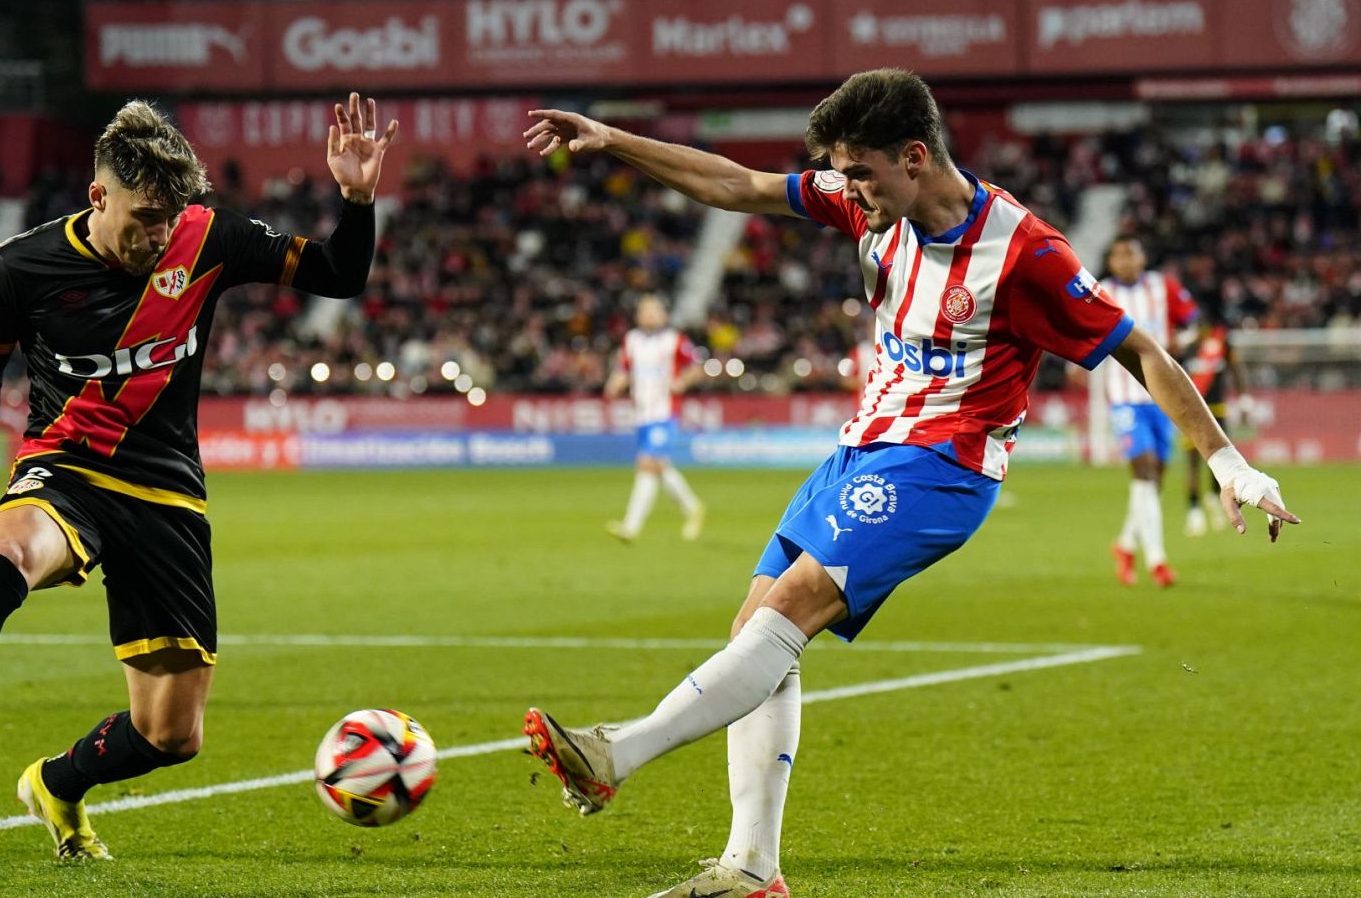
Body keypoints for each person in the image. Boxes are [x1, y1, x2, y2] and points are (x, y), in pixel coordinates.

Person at [518, 69, 1298, 898]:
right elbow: (740, 184)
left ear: (914, 158)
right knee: (757, 628)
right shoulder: (868, 202)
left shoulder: (1026, 254)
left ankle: (614, 753)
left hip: (943, 465)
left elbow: (1141, 349)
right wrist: (614, 139)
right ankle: (752, 866)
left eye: (860, 172)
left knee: (787, 611)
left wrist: (1229, 463)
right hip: (859, 450)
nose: (846, 189)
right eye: (842, 172)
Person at [0, 95, 398, 858]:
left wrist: (356, 199)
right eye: (145, 217)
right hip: (66, 469)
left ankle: (57, 781)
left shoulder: (207, 238)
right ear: (99, 196)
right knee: (10, 556)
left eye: (169, 218)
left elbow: (339, 273)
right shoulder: (19, 266)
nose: (158, 235)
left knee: (172, 733)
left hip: (167, 494)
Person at [1098, 235, 1198, 586]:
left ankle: (1125, 545)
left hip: (1161, 396)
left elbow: (1192, 321)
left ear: (1142, 257)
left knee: (1153, 481)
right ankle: (1158, 561)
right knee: (1144, 470)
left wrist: (1182, 341)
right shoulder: (1100, 291)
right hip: (1124, 397)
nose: (1125, 260)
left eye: (1131, 253)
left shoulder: (1162, 286)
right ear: (1111, 261)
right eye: (1118, 255)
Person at [604, 294, 706, 543]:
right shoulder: (632, 340)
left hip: (664, 412)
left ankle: (631, 527)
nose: (649, 314)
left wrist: (682, 381)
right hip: (642, 414)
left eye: (654, 310)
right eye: (644, 310)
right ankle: (692, 507)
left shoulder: (675, 340)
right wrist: (614, 385)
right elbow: (624, 369)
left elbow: (696, 366)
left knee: (647, 462)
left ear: (663, 314)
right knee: (657, 465)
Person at [1178, 303, 1246, 536]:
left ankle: (1214, 499)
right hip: (1193, 414)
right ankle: (1194, 511)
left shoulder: (1222, 345)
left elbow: (1236, 371)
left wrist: (1244, 399)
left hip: (1217, 411)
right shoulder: (1187, 350)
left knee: (1220, 462)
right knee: (1192, 463)